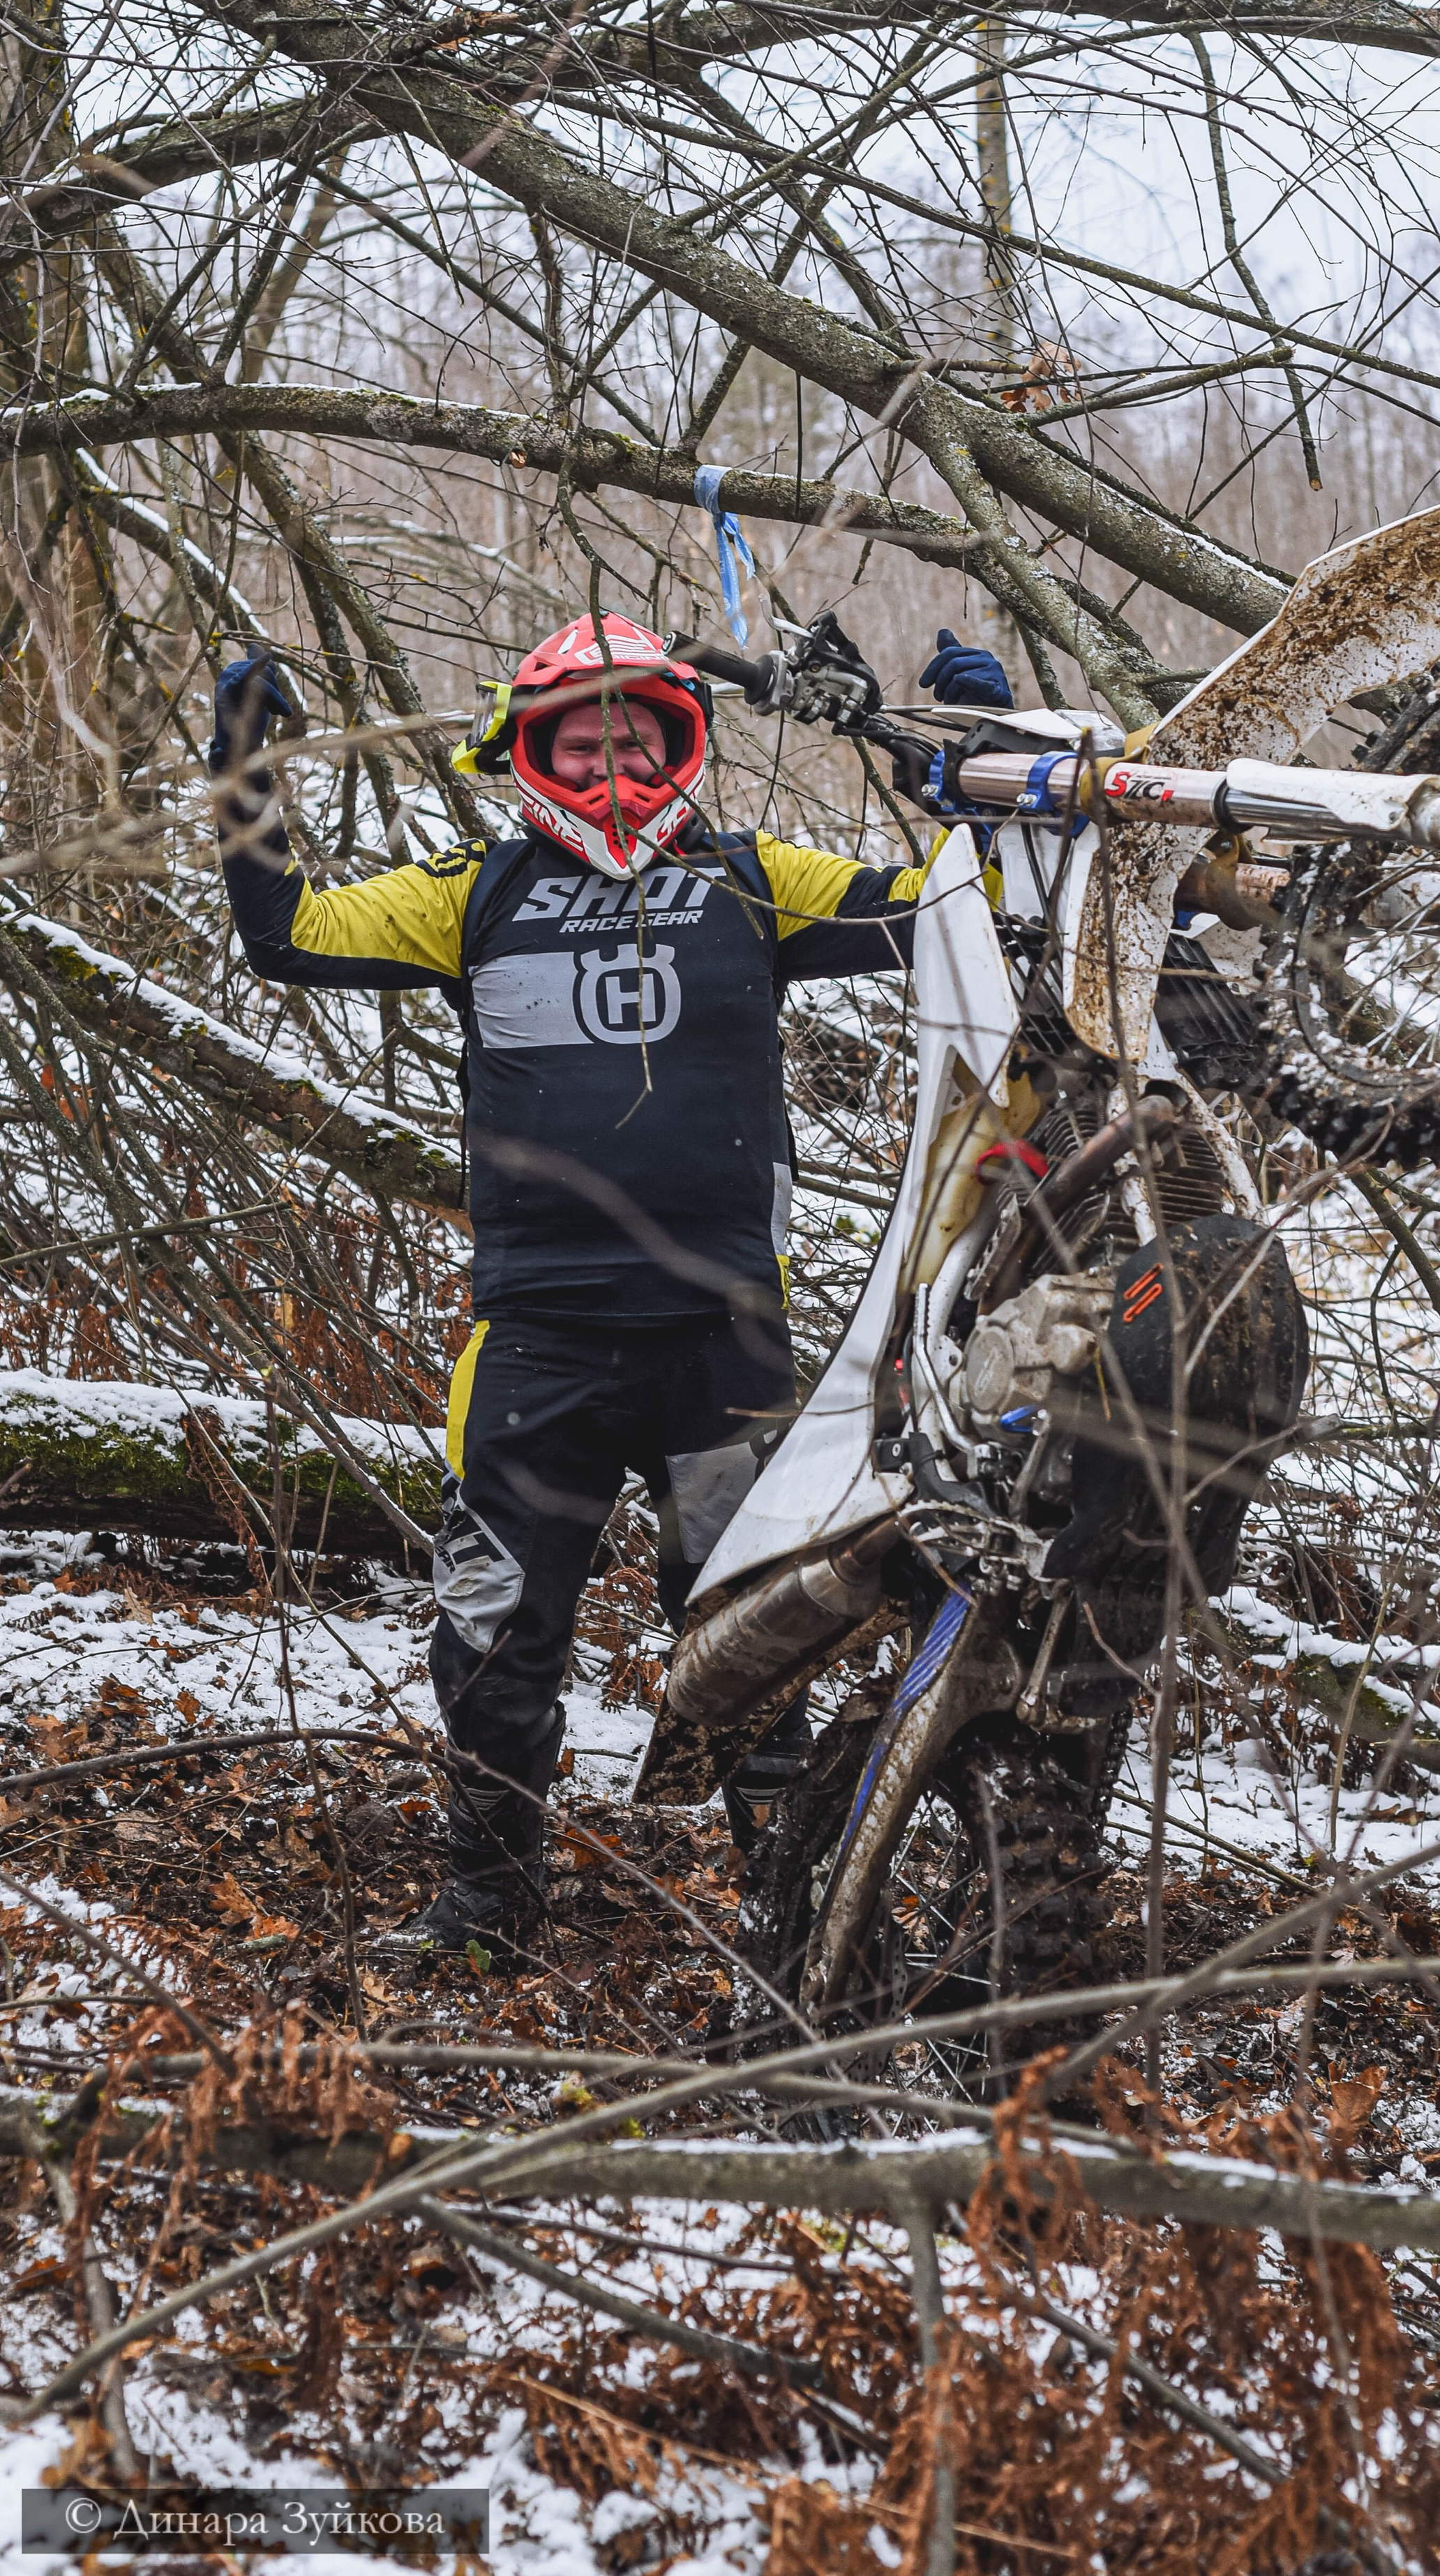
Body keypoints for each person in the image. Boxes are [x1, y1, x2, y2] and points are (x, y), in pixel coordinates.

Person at [211, 611, 1012, 1963]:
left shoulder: (755, 878)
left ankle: (798, 1923)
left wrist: (975, 754)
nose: (610, 756)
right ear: (532, 743)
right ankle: (488, 1910)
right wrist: (243, 765)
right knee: (491, 1644)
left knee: (758, 1652)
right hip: (535, 1352)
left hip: (723, 1354)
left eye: (635, 729)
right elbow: (287, 929)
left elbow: (949, 912)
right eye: (580, 734)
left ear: (680, 734)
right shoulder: (473, 891)